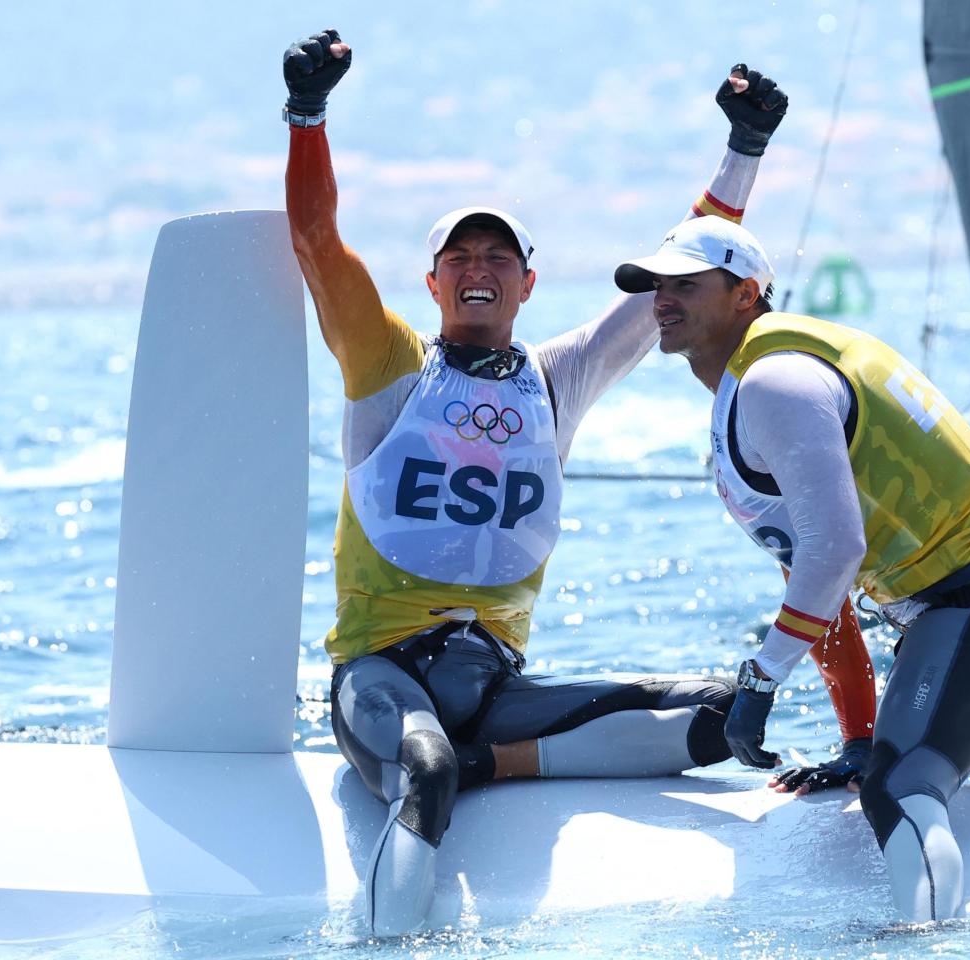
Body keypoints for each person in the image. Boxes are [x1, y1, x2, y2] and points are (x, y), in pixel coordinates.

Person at [281, 30, 792, 935]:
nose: (479, 271)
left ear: (526, 283)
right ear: (433, 282)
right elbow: (317, 240)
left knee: (726, 719)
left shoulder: (558, 377)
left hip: (497, 684)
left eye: (498, 259)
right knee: (426, 772)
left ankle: (494, 761)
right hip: (382, 677)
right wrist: (309, 115)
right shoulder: (389, 365)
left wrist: (744, 147)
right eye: (461, 260)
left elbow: (680, 271)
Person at [614, 217, 970, 921]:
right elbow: (819, 581)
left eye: (686, 285)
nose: (663, 300)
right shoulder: (750, 386)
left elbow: (834, 553)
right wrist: (856, 736)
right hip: (954, 604)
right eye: (657, 287)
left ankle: (927, 941)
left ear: (746, 294)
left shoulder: (775, 383)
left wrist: (759, 681)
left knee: (898, 788)